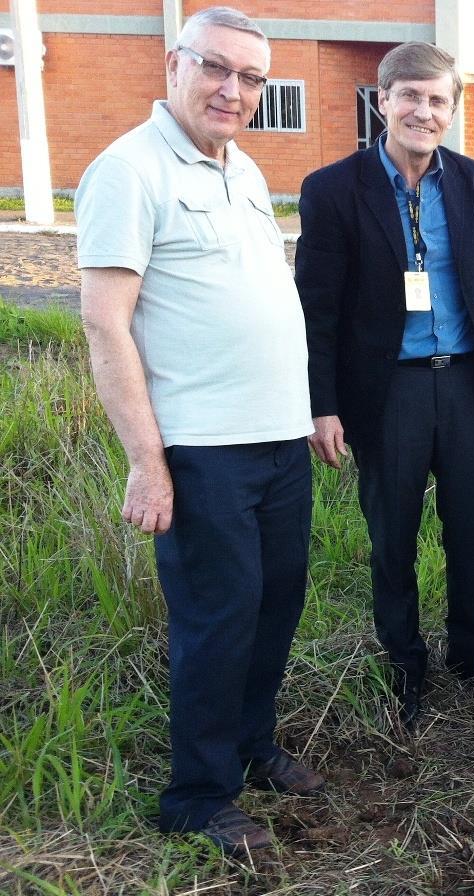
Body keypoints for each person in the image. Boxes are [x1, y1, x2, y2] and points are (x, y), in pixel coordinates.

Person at [77, 6, 322, 856]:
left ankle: (251, 746)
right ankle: (197, 794)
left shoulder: (244, 168)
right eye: (216, 68)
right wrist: (148, 461)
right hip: (203, 449)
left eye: (251, 77)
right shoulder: (129, 169)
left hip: (279, 441)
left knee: (275, 605)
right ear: (173, 64)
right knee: (219, 621)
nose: (233, 89)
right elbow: (106, 323)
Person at [295, 42, 474, 729]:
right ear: (383, 100)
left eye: (437, 100)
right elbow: (317, 310)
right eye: (410, 96)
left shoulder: (473, 184)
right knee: (392, 536)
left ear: (452, 110)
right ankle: (405, 666)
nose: (423, 111)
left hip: (466, 385)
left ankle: (473, 656)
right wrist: (323, 405)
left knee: (472, 529)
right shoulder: (332, 190)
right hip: (387, 391)